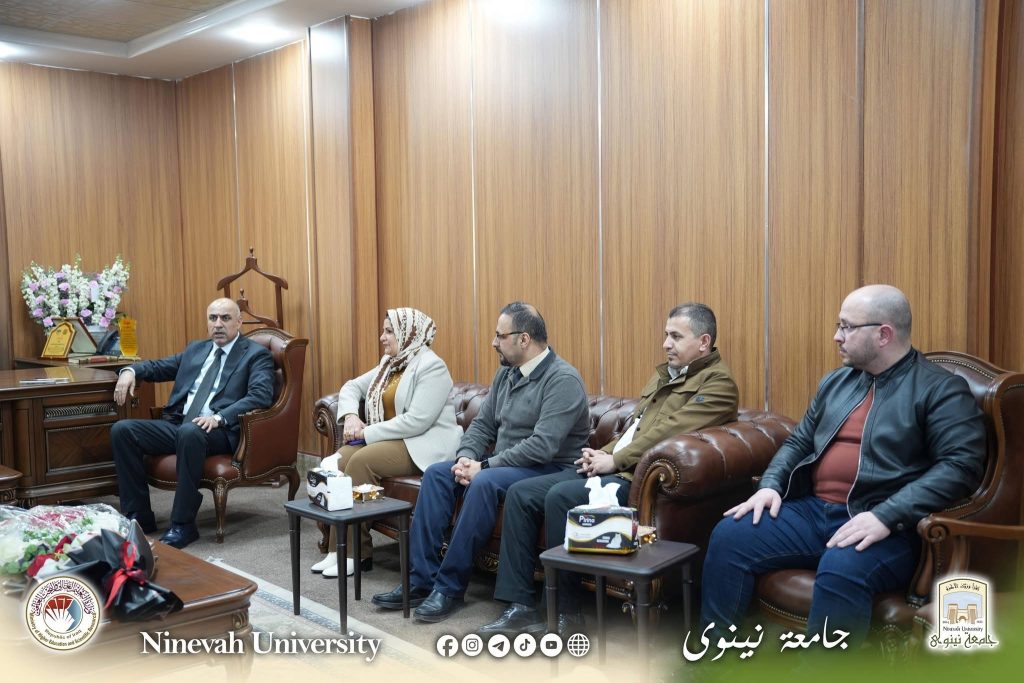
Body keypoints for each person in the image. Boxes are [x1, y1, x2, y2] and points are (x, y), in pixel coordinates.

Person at [699, 284, 986, 645]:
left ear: (883, 334)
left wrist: (886, 514)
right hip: (813, 512)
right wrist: (771, 485)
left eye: (847, 327)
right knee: (730, 535)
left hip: (886, 524)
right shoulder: (837, 382)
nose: (837, 336)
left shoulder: (940, 389)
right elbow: (799, 442)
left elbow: (961, 465)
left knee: (842, 565)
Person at [478, 303, 739, 635]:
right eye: (666, 335)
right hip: (614, 466)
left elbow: (669, 432)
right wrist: (600, 453)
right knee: (521, 493)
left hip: (634, 478)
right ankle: (519, 606)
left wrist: (615, 460)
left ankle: (566, 613)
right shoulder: (666, 375)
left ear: (704, 342)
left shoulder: (718, 385)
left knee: (560, 496)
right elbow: (635, 429)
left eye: (676, 336)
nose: (666, 344)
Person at [372, 301, 591, 623]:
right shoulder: (506, 373)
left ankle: (448, 588)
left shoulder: (563, 379)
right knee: (437, 474)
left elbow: (542, 446)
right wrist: (466, 458)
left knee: (484, 482)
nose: (493, 342)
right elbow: (483, 425)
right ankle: (420, 580)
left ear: (524, 339)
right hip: (506, 464)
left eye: (500, 336)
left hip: (548, 468)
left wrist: (485, 467)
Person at [111, 298, 275, 549]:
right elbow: (158, 367)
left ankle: (183, 524)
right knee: (123, 430)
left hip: (220, 430)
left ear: (239, 322)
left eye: (225, 318)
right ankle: (139, 516)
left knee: (190, 432)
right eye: (213, 318)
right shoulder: (196, 349)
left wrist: (219, 417)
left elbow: (260, 396)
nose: (218, 324)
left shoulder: (256, 355)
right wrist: (129, 371)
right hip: (181, 425)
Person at [310, 308, 462, 578]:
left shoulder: (432, 367)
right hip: (391, 438)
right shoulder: (390, 364)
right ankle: (336, 549)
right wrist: (351, 416)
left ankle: (357, 553)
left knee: (361, 462)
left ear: (409, 333)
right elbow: (351, 387)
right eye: (383, 331)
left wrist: (366, 432)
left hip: (422, 444)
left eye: (389, 331)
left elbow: (417, 421)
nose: (382, 337)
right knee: (335, 463)